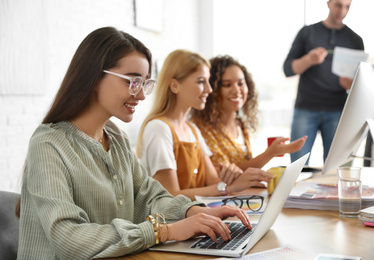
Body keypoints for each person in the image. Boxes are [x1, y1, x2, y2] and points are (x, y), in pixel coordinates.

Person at [16, 27, 253, 260]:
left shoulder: (116, 137)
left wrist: (195, 212)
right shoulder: (48, 143)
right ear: (95, 77)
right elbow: (69, 239)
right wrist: (164, 231)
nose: (141, 95)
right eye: (132, 81)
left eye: (144, 83)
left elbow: (149, 198)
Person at [136, 49, 272, 200]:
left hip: (199, 217)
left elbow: (213, 182)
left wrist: (237, 176)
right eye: (201, 81)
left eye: (208, 81)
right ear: (175, 86)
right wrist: (229, 187)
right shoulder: (159, 129)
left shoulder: (192, 130)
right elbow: (170, 195)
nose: (210, 89)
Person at [190, 55, 307, 172]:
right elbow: (223, 176)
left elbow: (242, 173)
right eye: (227, 85)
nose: (237, 90)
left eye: (240, 83)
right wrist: (270, 153)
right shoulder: (200, 129)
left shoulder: (239, 124)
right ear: (212, 89)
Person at [283, 0, 364, 164]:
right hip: (306, 108)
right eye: (338, 5)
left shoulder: (355, 40)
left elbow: (361, 85)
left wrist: (352, 85)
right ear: (328, 3)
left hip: (337, 111)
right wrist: (308, 59)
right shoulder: (307, 33)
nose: (342, 10)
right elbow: (288, 69)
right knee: (297, 167)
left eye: (347, 6)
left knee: (335, 169)